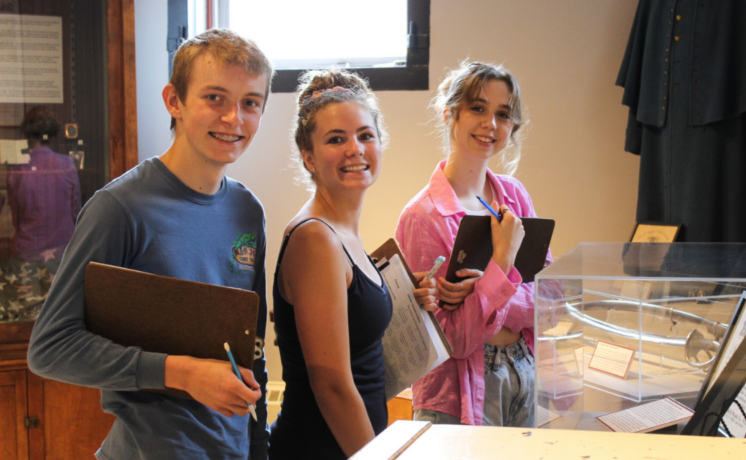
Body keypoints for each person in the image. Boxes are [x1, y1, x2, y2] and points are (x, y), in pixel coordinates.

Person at [27, 29, 272, 460]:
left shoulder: (247, 210)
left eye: (250, 102)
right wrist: (182, 373)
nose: (234, 118)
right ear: (174, 100)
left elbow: (252, 354)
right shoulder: (119, 208)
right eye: (215, 98)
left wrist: (259, 448)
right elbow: (51, 348)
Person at [269, 69, 437, 459]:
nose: (355, 149)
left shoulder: (343, 233)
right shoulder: (316, 238)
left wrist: (408, 299)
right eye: (336, 139)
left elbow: (354, 333)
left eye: (365, 135)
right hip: (318, 448)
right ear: (308, 157)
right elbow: (330, 386)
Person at [396, 61, 550, 427]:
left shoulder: (514, 196)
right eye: (478, 109)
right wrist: (501, 262)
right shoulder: (422, 216)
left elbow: (549, 302)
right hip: (455, 398)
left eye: (503, 114)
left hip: (523, 373)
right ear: (450, 113)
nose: (491, 125)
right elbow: (456, 341)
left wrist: (484, 291)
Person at [7, 106, 81, 262]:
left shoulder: (17, 170)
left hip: (27, 252)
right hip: (62, 251)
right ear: (52, 133)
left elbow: (16, 218)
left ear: (26, 132)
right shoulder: (66, 164)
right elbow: (76, 210)